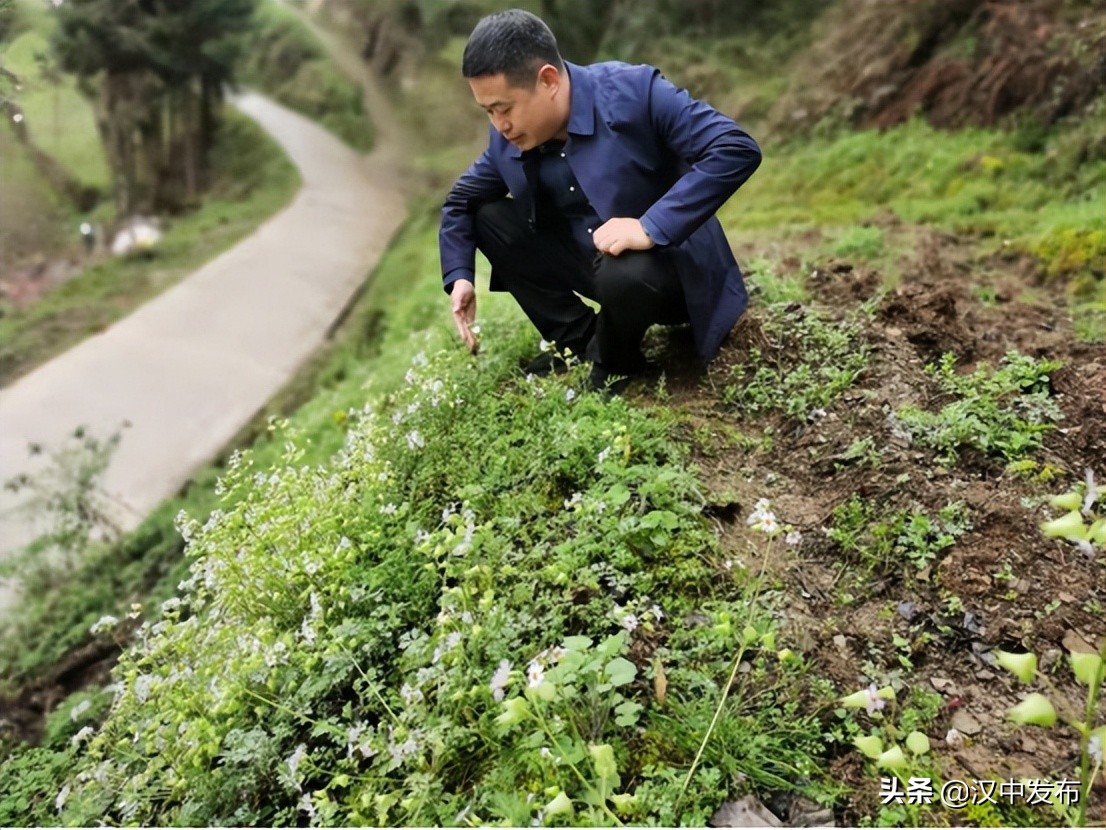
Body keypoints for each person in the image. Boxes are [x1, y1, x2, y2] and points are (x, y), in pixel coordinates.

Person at [439, 9, 761, 391]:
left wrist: (650, 226)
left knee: (624, 273)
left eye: (504, 108)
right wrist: (460, 277)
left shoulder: (635, 91)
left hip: (664, 273)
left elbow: (734, 148)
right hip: (591, 265)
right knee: (488, 216)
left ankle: (616, 360)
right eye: (488, 111)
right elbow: (460, 202)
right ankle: (580, 340)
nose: (499, 125)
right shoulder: (507, 139)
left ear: (548, 80)